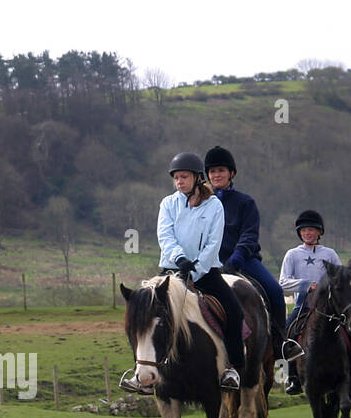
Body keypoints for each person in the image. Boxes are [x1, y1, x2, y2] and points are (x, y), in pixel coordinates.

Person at [120, 151, 243, 393]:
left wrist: (195, 269)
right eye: (176, 178)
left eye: (183, 177)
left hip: (205, 272)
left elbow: (213, 242)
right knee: (142, 315)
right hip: (171, 271)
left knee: (234, 310)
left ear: (197, 178)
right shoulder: (168, 204)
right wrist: (180, 259)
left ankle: (232, 368)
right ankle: (141, 373)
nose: (179, 182)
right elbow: (165, 237)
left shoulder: (214, 205)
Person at [202, 147, 299, 363]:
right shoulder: (201, 203)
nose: (216, 175)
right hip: (208, 264)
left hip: (243, 261)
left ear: (231, 173)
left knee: (274, 290)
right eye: (212, 171)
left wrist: (236, 259)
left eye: (221, 170)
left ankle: (280, 342)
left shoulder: (245, 203)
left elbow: (249, 235)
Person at [279, 210, 351, 395]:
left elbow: (342, 277)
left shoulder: (329, 253)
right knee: (287, 333)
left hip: (330, 308)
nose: (307, 233)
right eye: (304, 231)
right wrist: (306, 285)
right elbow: (283, 281)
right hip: (303, 305)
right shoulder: (292, 255)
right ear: (300, 233)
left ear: (319, 232)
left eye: (311, 230)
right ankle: (293, 378)